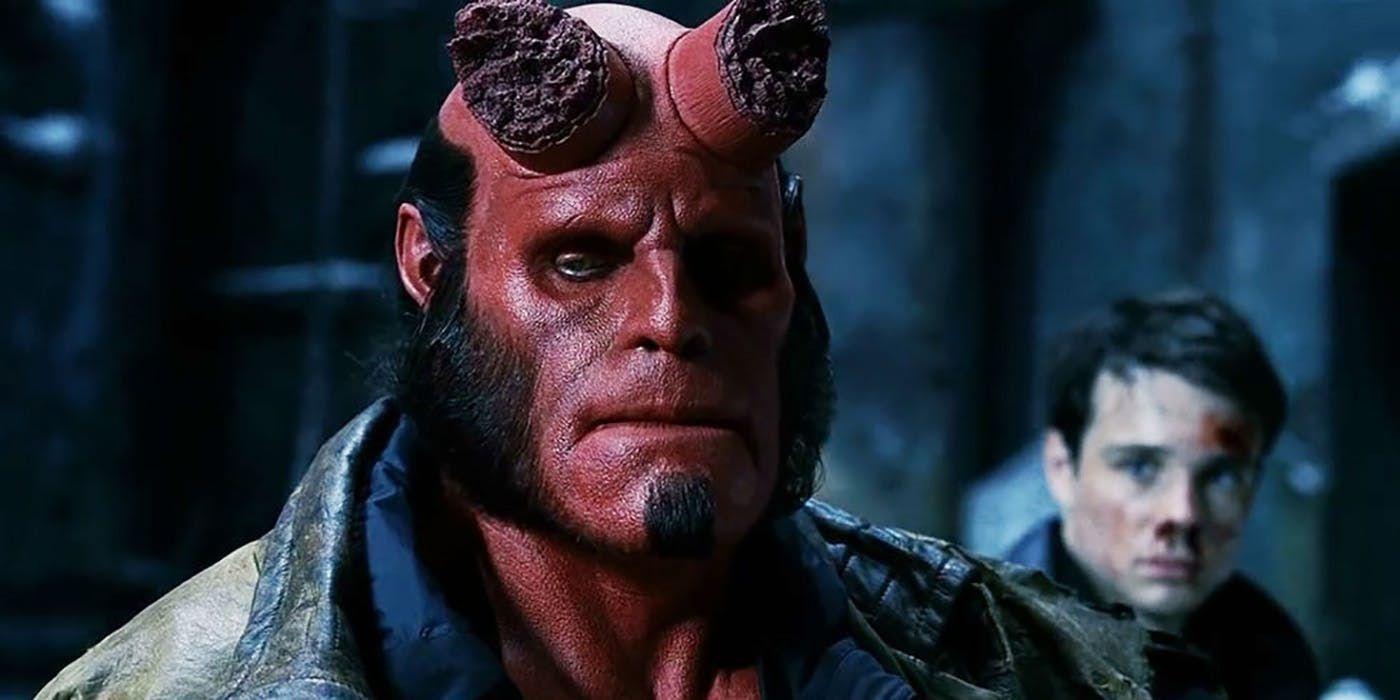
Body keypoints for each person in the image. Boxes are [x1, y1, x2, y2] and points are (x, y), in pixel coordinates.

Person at [42, 2, 1206, 697]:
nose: (668, 317)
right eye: (579, 260)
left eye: (730, 264)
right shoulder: (175, 686)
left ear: (793, 270)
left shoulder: (1028, 665)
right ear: (429, 270)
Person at [1005, 290, 1321, 699]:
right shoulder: (972, 654)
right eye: (1140, 467)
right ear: (1062, 467)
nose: (1183, 513)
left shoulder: (1272, 659)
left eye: (1222, 477)